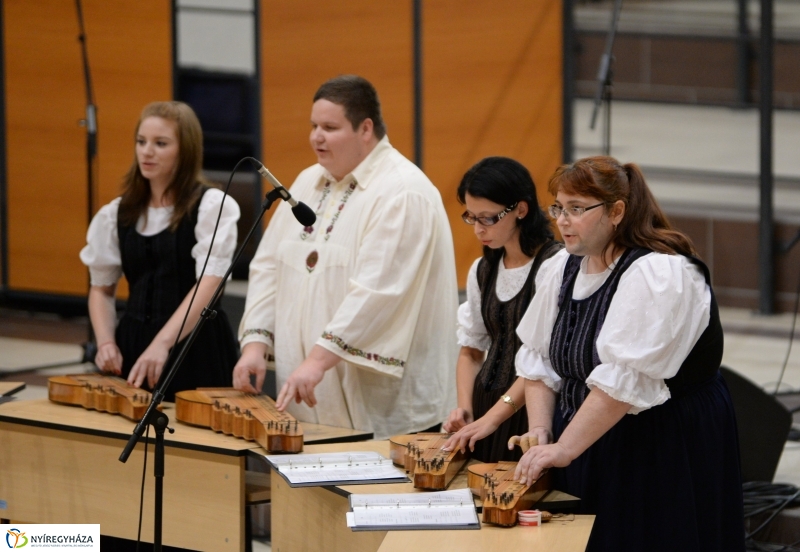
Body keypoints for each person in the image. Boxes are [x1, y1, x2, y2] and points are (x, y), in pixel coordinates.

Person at [512, 156, 745, 551]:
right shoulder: (561, 267)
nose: (562, 220)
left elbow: (625, 381)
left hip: (659, 438)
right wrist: (540, 430)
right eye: (558, 208)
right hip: (589, 428)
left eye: (576, 209)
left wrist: (566, 447)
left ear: (616, 211)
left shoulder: (662, 274)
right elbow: (539, 360)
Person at [233, 75, 458, 440]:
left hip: (386, 411)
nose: (316, 137)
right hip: (309, 395)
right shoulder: (307, 181)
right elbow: (269, 266)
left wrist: (316, 361)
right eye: (313, 126)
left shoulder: (403, 192)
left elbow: (378, 292)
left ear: (365, 128)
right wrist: (255, 345)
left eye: (329, 127)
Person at [80, 101, 240, 402]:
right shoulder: (115, 213)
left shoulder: (212, 205)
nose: (147, 151)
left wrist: (162, 344)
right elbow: (101, 289)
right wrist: (104, 343)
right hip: (134, 343)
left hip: (194, 345)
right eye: (141, 142)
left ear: (185, 149)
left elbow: (210, 284)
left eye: (160, 143)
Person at [441, 157, 560, 462]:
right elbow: (471, 350)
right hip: (485, 408)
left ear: (521, 209)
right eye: (471, 217)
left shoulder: (554, 265)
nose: (478, 229)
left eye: (488, 218)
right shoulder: (483, 268)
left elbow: (543, 360)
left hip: (531, 411)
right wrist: (465, 409)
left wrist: (493, 418)